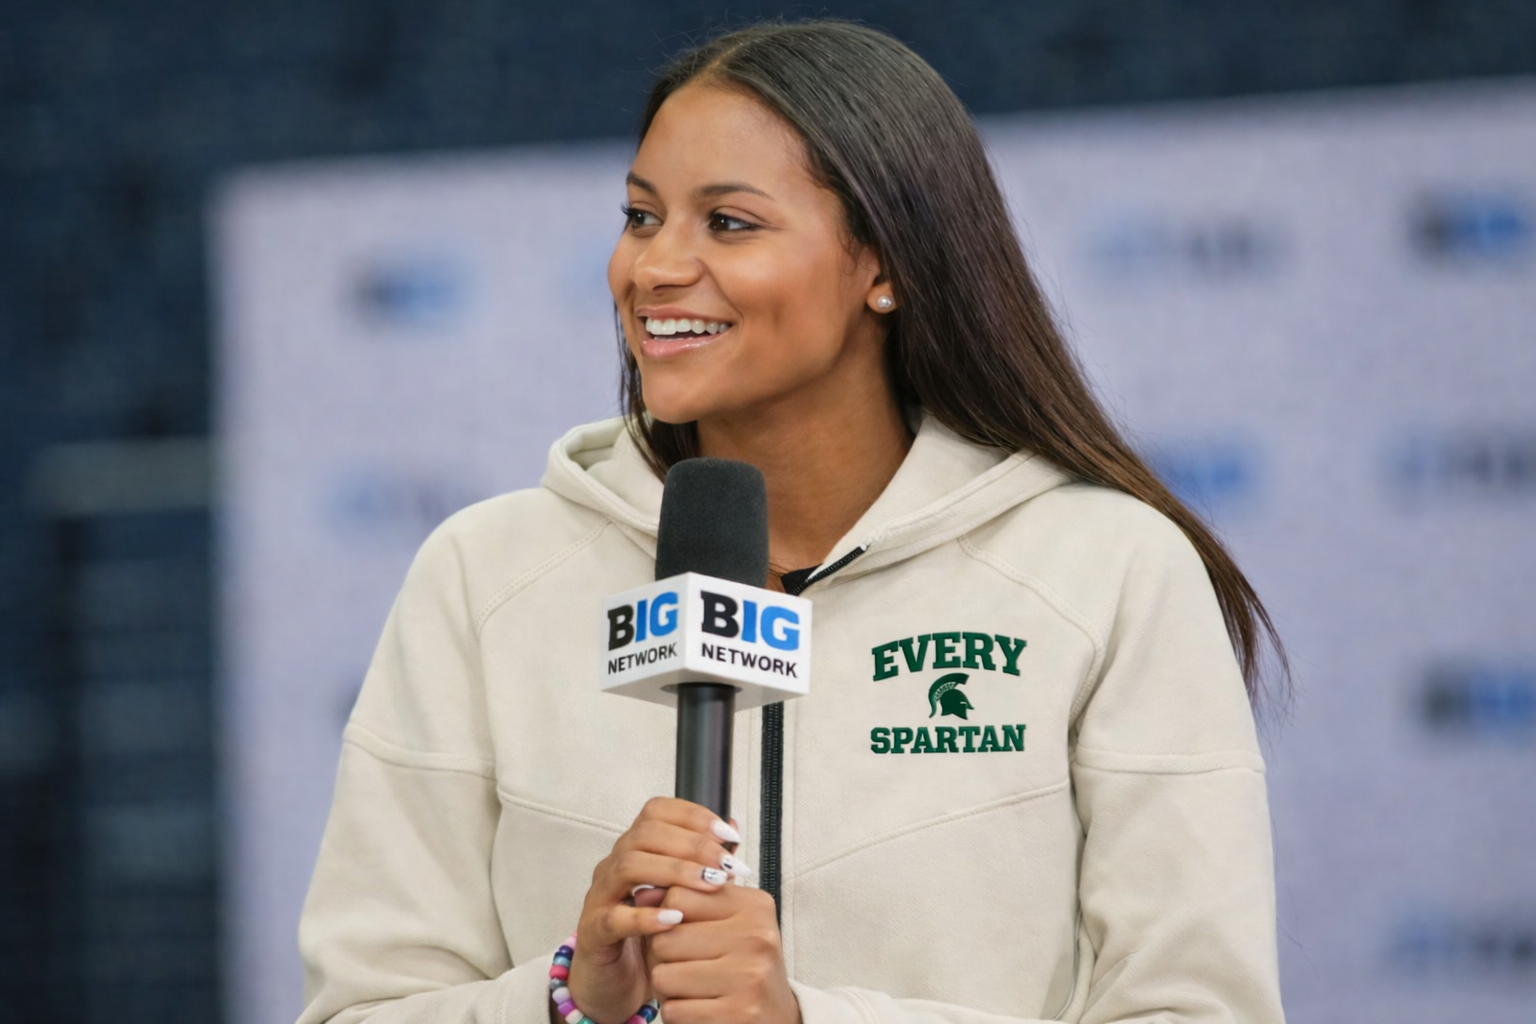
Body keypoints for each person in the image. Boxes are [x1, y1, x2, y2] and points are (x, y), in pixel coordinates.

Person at [297, 19, 1288, 1024]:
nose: (655, 268)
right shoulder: (483, 575)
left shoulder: (1107, 572)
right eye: (642, 217)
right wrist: (569, 1002)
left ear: (885, 264)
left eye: (728, 223)